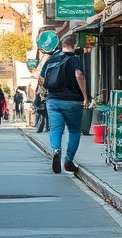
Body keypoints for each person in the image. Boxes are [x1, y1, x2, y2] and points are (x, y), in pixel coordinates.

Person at [36, 36, 90, 174]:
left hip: (53, 101)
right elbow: (79, 75)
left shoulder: (51, 59)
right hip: (73, 101)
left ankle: (55, 150)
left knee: (56, 129)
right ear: (75, 45)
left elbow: (41, 79)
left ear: (62, 45)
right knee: (74, 130)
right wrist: (85, 97)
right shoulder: (75, 59)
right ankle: (69, 161)